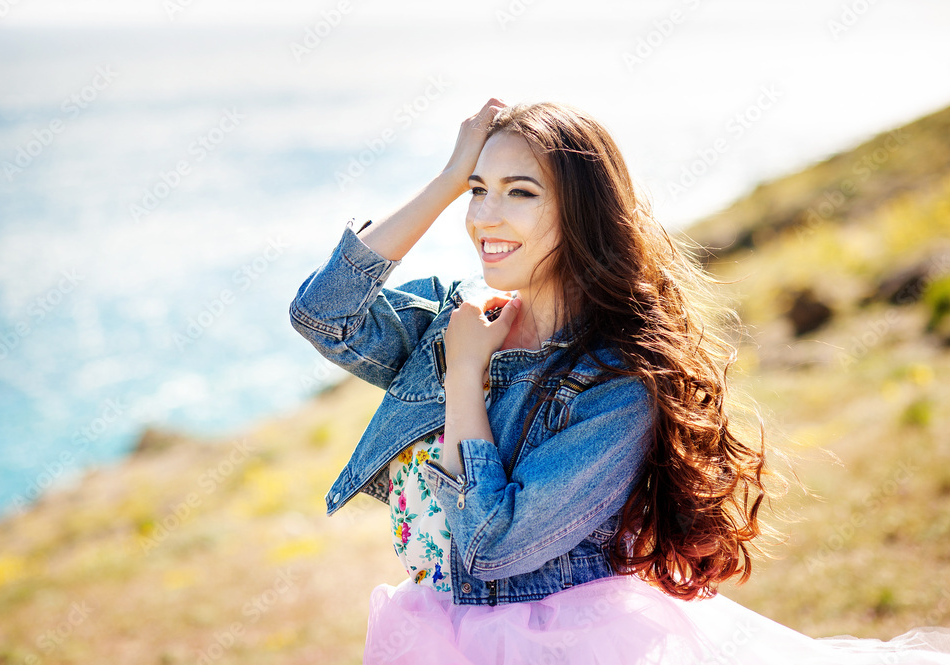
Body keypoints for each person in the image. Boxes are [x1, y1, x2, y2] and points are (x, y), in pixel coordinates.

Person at [289, 98, 950, 664]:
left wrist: (465, 375)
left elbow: (494, 543)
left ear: (580, 212)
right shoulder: (459, 314)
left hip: (566, 638)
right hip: (436, 626)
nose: (485, 217)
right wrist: (443, 180)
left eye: (520, 191)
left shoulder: (613, 380)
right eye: (478, 189)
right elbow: (323, 314)